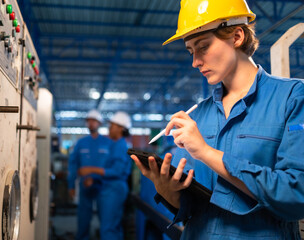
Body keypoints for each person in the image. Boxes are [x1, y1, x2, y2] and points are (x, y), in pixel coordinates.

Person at [130, 0, 304, 239]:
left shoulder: (292, 97)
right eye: (191, 51)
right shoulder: (198, 115)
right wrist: (166, 189)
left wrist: (205, 152)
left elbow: (296, 195)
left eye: (203, 47)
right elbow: (190, 205)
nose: (195, 62)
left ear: (237, 36)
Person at [79, 111, 132, 240]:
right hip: (109, 188)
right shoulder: (115, 145)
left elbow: (117, 171)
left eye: (112, 125)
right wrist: (94, 178)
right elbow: (109, 170)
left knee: (108, 229)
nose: (109, 128)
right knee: (112, 226)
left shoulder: (120, 145)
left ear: (121, 129)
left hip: (114, 190)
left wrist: (91, 169)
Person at [67, 109, 112, 240]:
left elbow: (111, 166)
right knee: (83, 220)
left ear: (99, 123)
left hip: (103, 186)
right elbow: (73, 164)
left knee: (105, 220)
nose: (90, 124)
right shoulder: (81, 143)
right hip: (85, 186)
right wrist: (71, 186)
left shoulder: (108, 143)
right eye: (88, 121)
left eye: (94, 121)